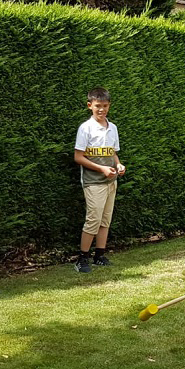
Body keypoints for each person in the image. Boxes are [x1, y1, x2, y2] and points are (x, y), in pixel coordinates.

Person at [73, 87, 125, 273]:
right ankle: (82, 259)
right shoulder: (85, 128)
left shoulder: (113, 128)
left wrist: (118, 165)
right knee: (93, 220)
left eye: (105, 106)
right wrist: (101, 169)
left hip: (111, 182)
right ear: (90, 106)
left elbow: (113, 153)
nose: (101, 109)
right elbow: (78, 157)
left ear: (109, 105)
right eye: (97, 106)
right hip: (93, 182)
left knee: (105, 220)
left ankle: (99, 256)